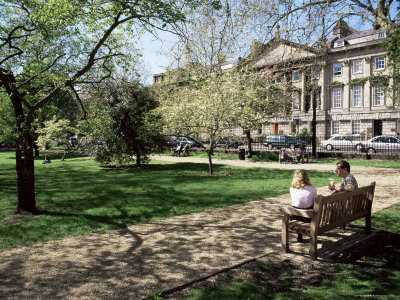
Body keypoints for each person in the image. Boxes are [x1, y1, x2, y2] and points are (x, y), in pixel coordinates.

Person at [289, 169, 317, 242]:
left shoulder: (292, 189)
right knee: (312, 205)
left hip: (295, 216)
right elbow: (315, 201)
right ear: (307, 177)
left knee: (296, 207)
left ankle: (299, 235)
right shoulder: (312, 189)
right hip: (308, 217)